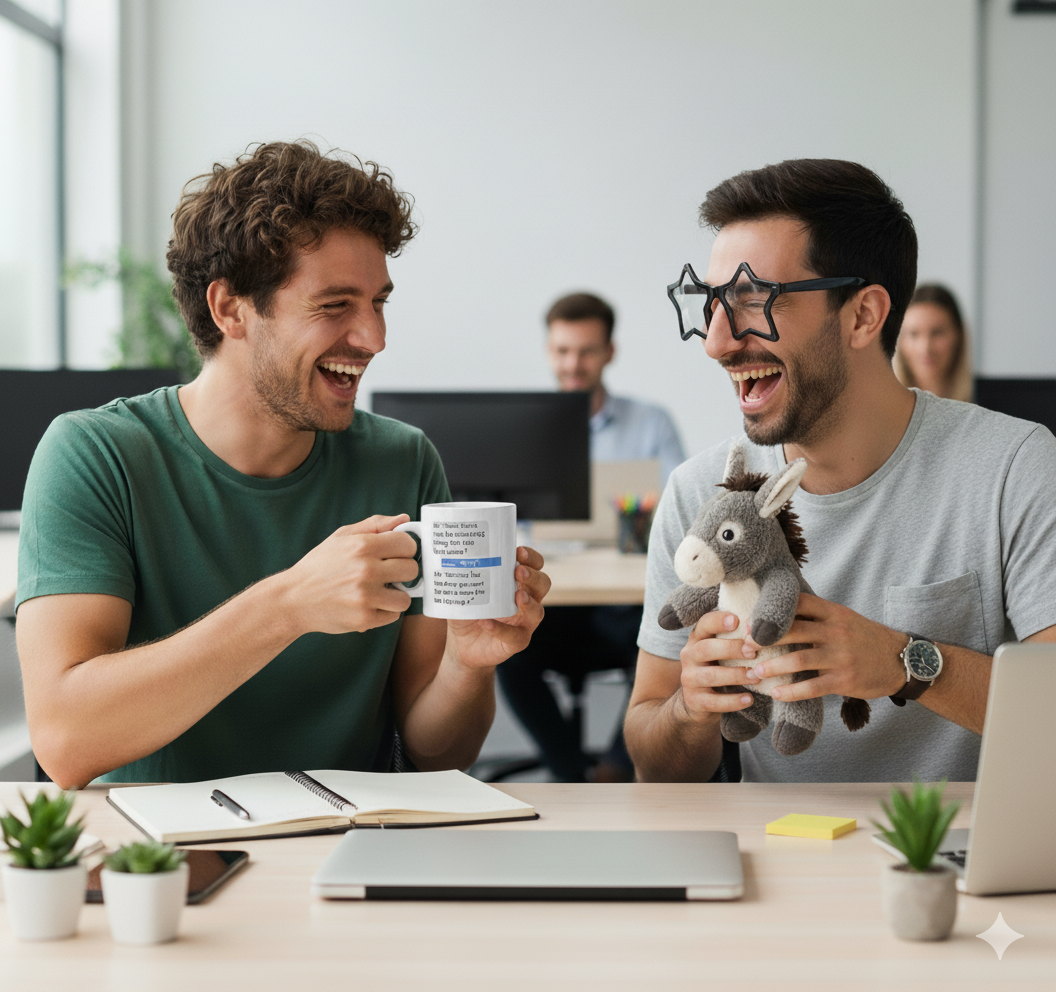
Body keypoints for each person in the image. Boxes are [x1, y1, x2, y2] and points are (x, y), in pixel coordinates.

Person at [15, 140, 549, 790]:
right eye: (335, 305)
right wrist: (291, 604)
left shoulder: (403, 459)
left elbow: (438, 755)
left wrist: (467, 665)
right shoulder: (95, 456)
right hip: (163, 842)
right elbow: (66, 742)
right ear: (230, 309)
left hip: (354, 835)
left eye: (379, 302)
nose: (375, 338)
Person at [625, 158, 1056, 784]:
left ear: (862, 316)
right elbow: (655, 769)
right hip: (770, 845)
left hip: (951, 843)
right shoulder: (702, 492)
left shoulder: (1014, 467)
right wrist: (690, 708)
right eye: (713, 304)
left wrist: (904, 661)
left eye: (753, 299)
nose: (716, 343)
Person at [497, 292, 686, 782]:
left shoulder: (651, 423)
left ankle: (616, 768)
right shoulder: (522, 429)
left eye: (586, 351)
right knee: (503, 643)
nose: (573, 364)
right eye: (562, 351)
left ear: (609, 352)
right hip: (552, 602)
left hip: (620, 607)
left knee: (669, 636)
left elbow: (679, 514)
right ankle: (568, 773)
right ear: (549, 351)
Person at [893, 283, 973, 401]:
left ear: (958, 335)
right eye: (913, 334)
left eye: (937, 333)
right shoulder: (876, 403)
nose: (925, 348)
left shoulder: (995, 401)